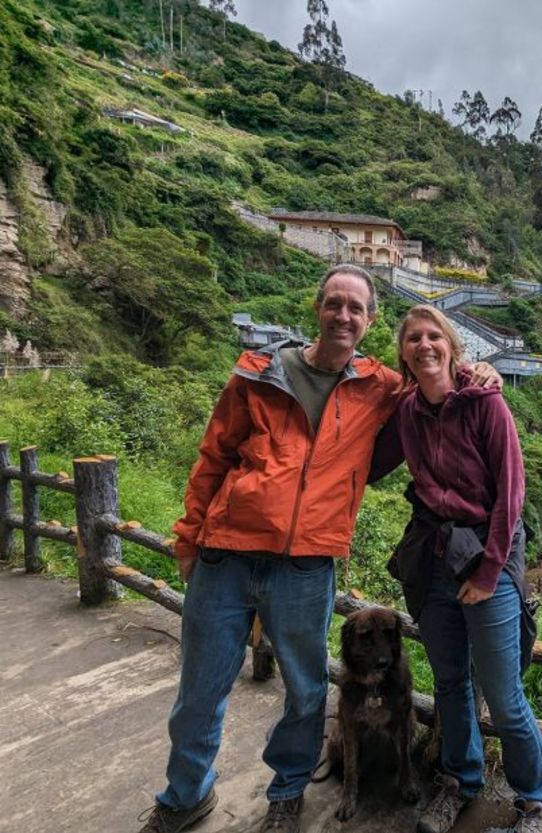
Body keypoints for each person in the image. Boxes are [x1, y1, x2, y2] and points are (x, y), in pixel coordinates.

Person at [140, 266, 495, 833]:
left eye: (356, 308)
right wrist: (188, 536)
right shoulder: (259, 374)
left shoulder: (379, 385)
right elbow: (213, 456)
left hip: (305, 564)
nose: (344, 316)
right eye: (335, 304)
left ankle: (287, 792)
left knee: (306, 692)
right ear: (318, 307)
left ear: (370, 320)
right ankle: (184, 796)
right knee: (200, 690)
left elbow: (436, 376)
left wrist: (479, 370)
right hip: (225, 554)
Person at [385, 305, 542, 833]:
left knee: (504, 696)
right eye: (413, 338)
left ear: (453, 347)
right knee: (452, 683)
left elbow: (511, 498)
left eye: (434, 336)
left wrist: (487, 574)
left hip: (489, 556)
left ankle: (535, 801)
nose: (424, 345)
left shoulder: (486, 404)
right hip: (436, 556)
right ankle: (460, 781)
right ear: (404, 353)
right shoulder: (408, 410)